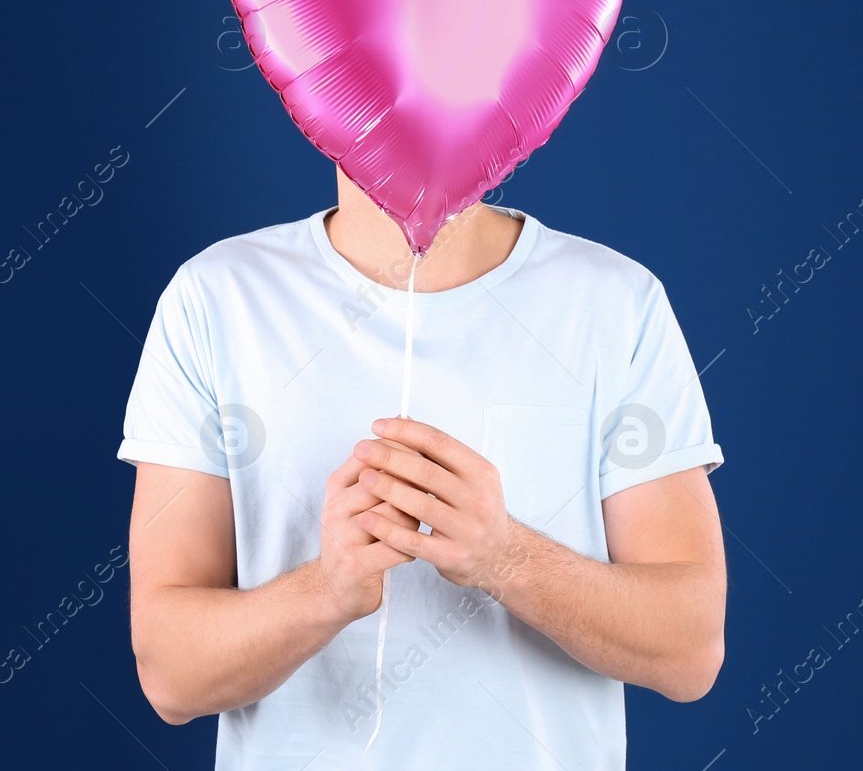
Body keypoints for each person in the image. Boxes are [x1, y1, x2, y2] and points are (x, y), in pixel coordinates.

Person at [117, 164, 727, 769]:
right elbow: (171, 676)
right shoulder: (215, 299)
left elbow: (691, 647)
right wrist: (323, 593)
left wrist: (506, 556)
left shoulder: (616, 303)